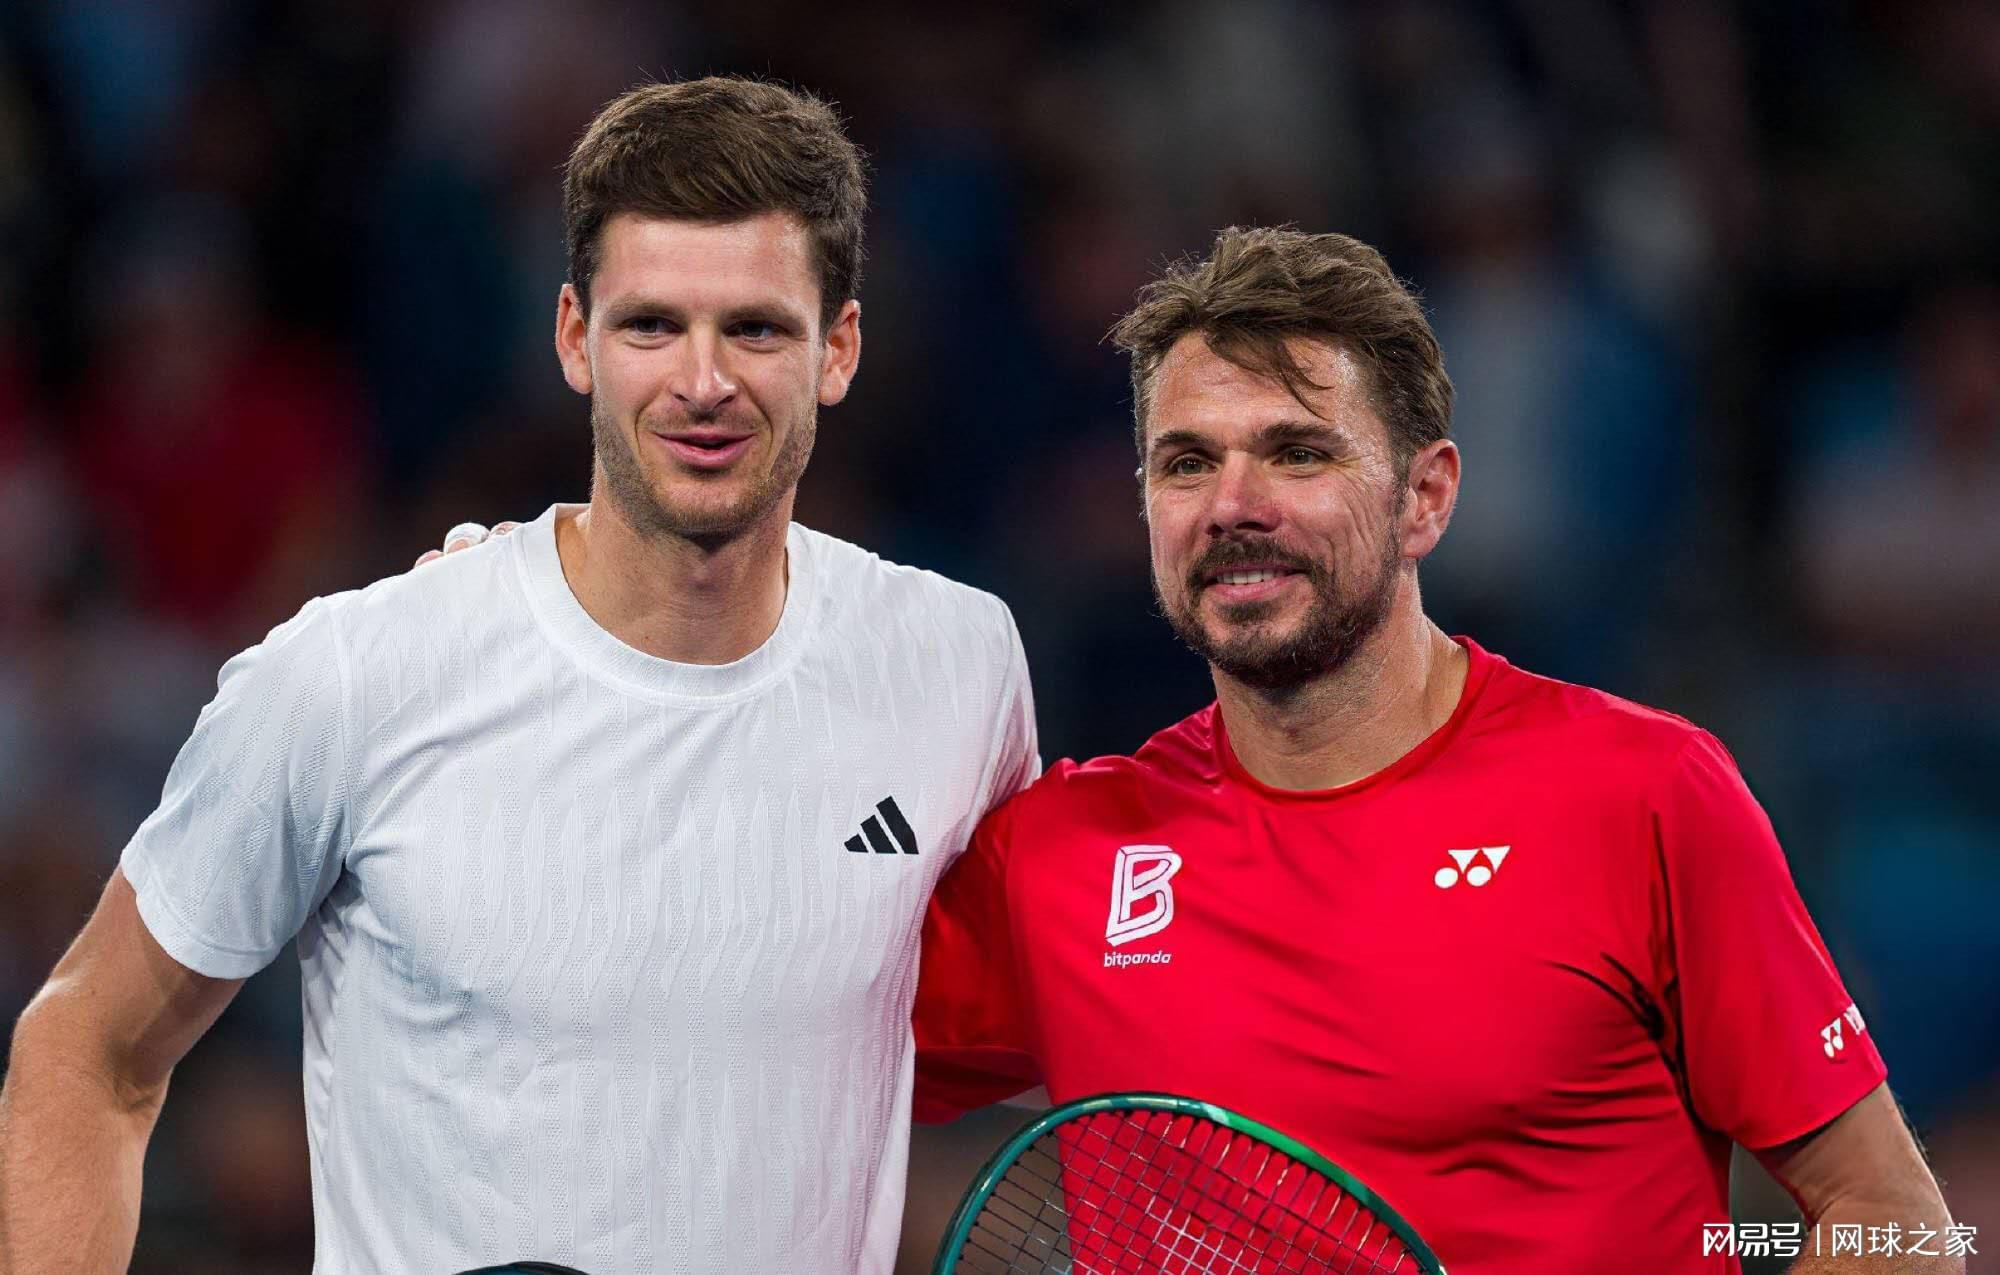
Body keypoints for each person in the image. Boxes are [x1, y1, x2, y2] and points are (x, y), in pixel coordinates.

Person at [0, 77, 1037, 1274]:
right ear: (572, 339)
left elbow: (1028, 1029)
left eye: (755, 328)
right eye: (651, 326)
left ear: (837, 347)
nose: (702, 381)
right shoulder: (357, 677)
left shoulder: (956, 663)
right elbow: (88, 1046)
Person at [910, 226, 1962, 1273]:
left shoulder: (1640, 792)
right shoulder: (1057, 859)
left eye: (1297, 452)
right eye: (1188, 462)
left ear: (1425, 498)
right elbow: (819, 1072)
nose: (1231, 506)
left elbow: (1894, 1221)